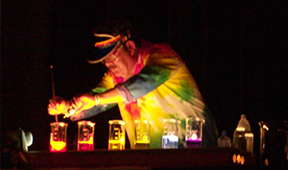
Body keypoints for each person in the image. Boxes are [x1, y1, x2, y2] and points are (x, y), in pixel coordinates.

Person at [48, 20, 218, 149]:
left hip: (196, 154)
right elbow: (96, 100)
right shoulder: (114, 77)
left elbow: (141, 85)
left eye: (111, 57)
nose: (108, 65)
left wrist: (97, 99)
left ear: (129, 47)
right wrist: (67, 107)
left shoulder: (161, 55)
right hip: (151, 164)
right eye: (104, 61)